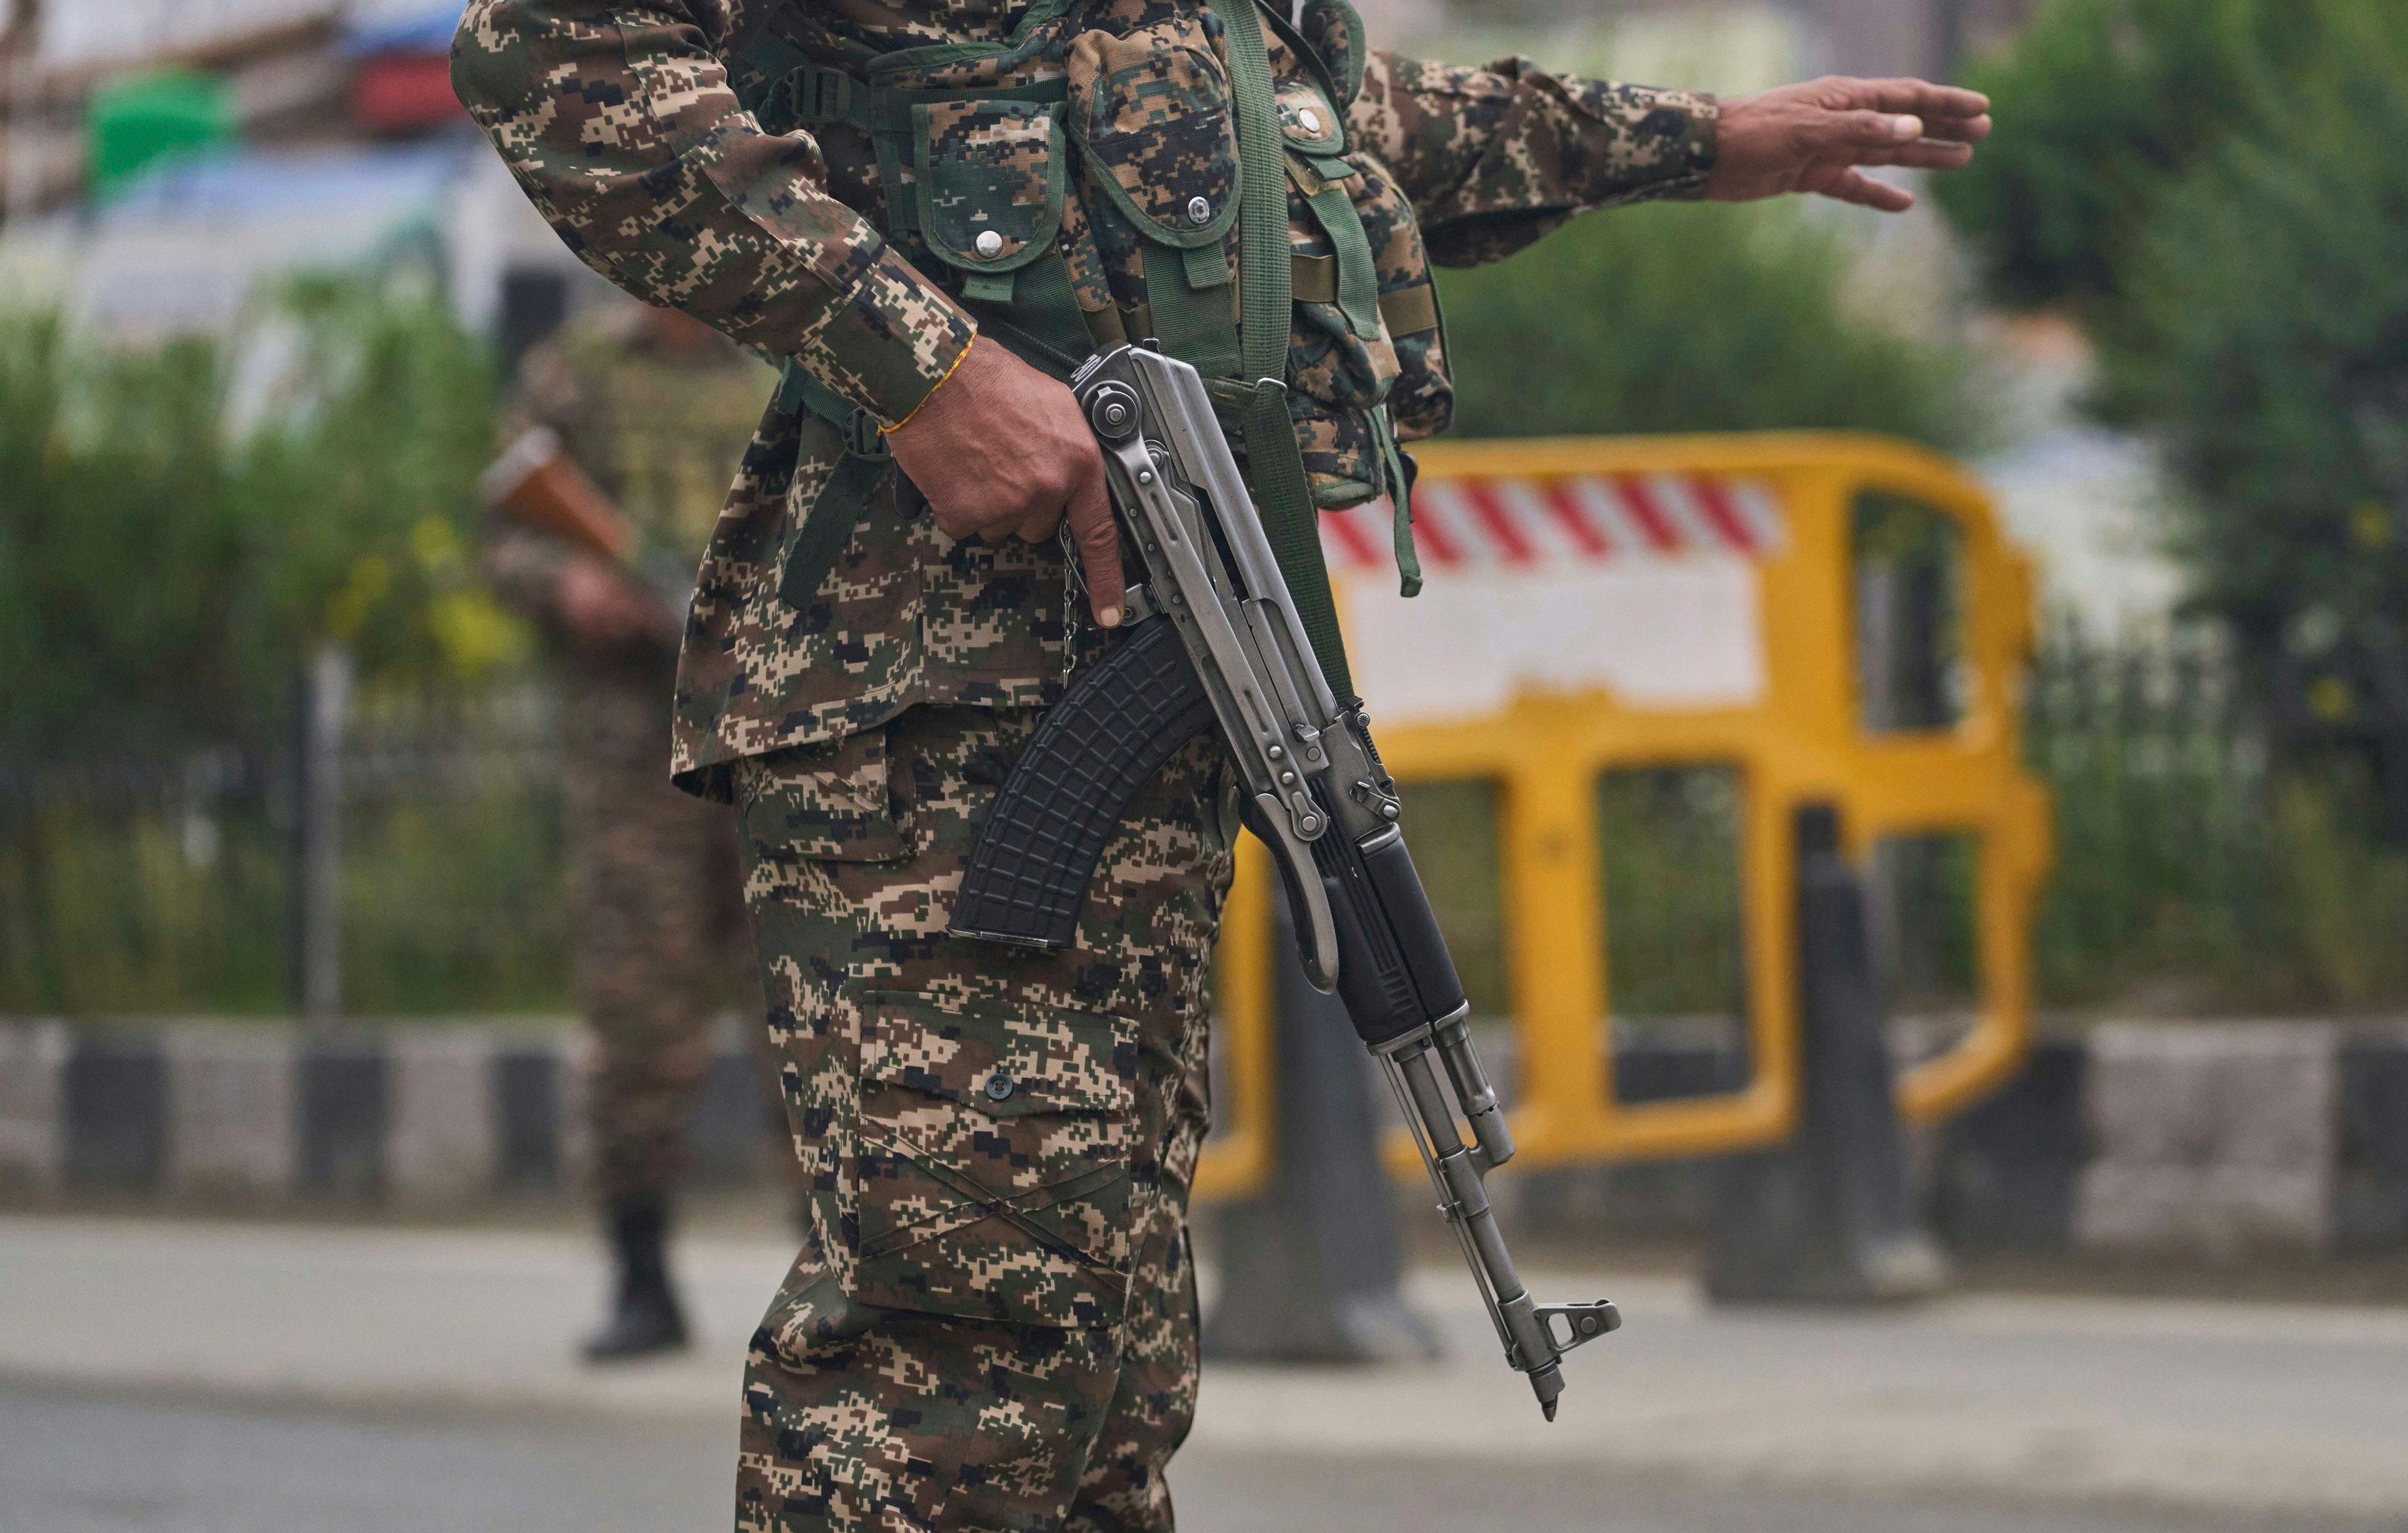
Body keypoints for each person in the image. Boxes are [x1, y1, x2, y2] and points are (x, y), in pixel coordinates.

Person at [453, 0, 1988, 1522]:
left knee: (1106, 1374)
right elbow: (554, 50)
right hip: (926, 724)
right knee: (965, 1358)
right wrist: (928, 369)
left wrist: (1697, 141)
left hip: (1152, 700)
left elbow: (1320, 121)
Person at [479, 300, 785, 1361]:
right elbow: (501, 532)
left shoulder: (772, 370)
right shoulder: (576, 372)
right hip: (634, 750)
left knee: (806, 1018)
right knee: (638, 1015)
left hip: (766, 743)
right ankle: (642, 1277)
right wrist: (566, 581)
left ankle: (836, 1284)